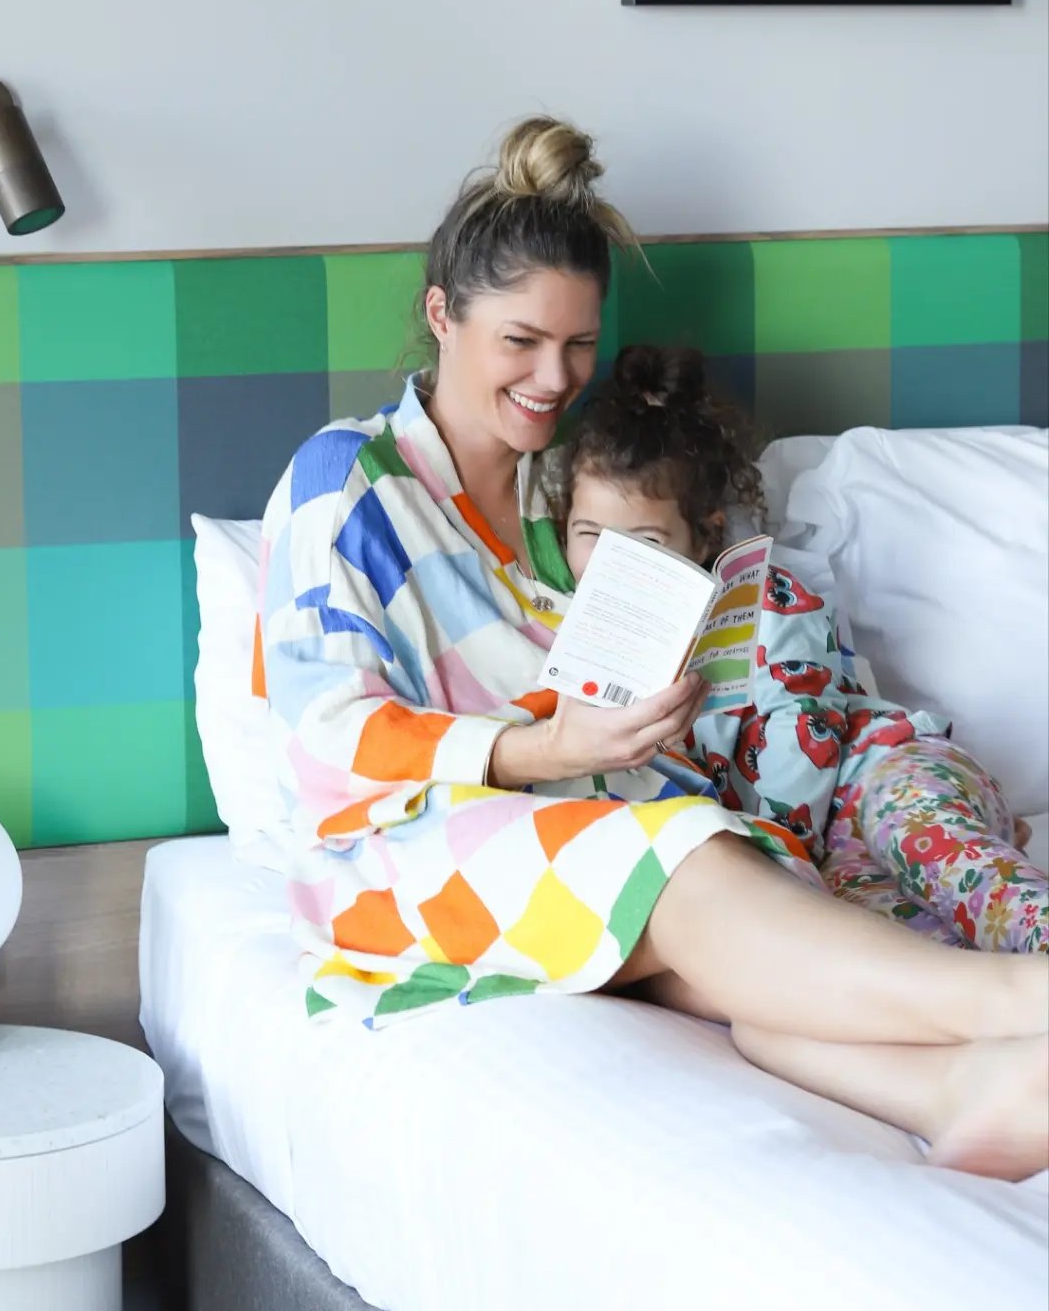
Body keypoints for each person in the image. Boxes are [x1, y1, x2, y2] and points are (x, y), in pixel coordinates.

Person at [256, 115, 1047, 1182]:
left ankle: (972, 1087)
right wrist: (542, 751)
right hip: (412, 845)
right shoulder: (349, 478)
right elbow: (323, 728)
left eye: (578, 343)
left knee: (746, 950)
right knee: (684, 860)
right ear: (443, 315)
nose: (554, 376)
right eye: (521, 342)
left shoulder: (567, 497)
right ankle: (1026, 1000)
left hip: (601, 816)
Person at [560, 342, 1047, 957]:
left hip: (877, 772)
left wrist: (778, 854)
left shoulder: (770, 601)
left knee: (949, 863)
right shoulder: (574, 645)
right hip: (814, 861)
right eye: (590, 535)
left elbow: (802, 728)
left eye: (648, 541)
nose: (617, 562)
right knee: (895, 952)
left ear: (704, 535)